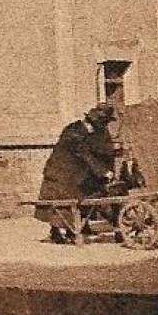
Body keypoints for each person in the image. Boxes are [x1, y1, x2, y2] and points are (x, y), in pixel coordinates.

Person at [36, 103, 121, 243]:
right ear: (97, 122)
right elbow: (85, 155)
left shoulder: (84, 130)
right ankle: (59, 232)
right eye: (104, 123)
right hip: (59, 172)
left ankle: (72, 229)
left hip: (69, 172)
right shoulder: (75, 133)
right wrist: (104, 172)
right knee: (62, 201)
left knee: (77, 197)